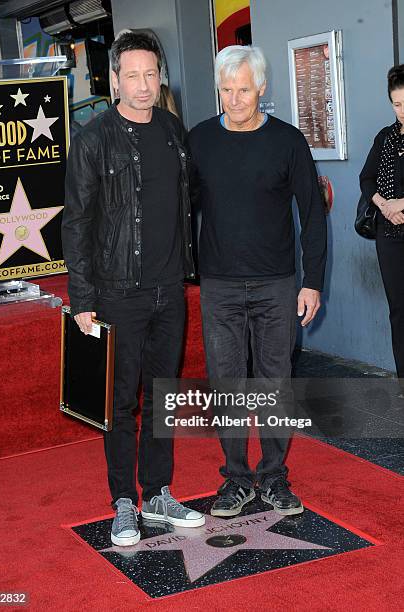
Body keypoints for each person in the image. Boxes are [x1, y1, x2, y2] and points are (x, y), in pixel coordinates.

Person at [62, 31, 204, 547]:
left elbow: (189, 201)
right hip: (118, 291)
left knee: (164, 397)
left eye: (151, 75)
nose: (143, 85)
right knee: (121, 402)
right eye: (133, 76)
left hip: (170, 288)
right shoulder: (93, 138)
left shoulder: (171, 129)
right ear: (114, 79)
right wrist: (82, 299)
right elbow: (76, 223)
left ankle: (160, 492)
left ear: (159, 76)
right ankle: (125, 503)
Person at [188, 45, 327, 517]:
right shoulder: (199, 140)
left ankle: (273, 476)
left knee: (274, 383)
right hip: (220, 286)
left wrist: (313, 282)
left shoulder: (288, 142)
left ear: (262, 88)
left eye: (243, 89)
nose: (234, 99)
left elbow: (312, 214)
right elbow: (182, 209)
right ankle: (236, 479)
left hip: (277, 285)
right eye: (226, 90)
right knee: (227, 384)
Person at [360, 65, 404, 392]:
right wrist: (384, 205)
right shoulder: (386, 137)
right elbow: (366, 178)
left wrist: (400, 204)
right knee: (398, 313)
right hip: (389, 237)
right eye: (397, 104)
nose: (402, 110)